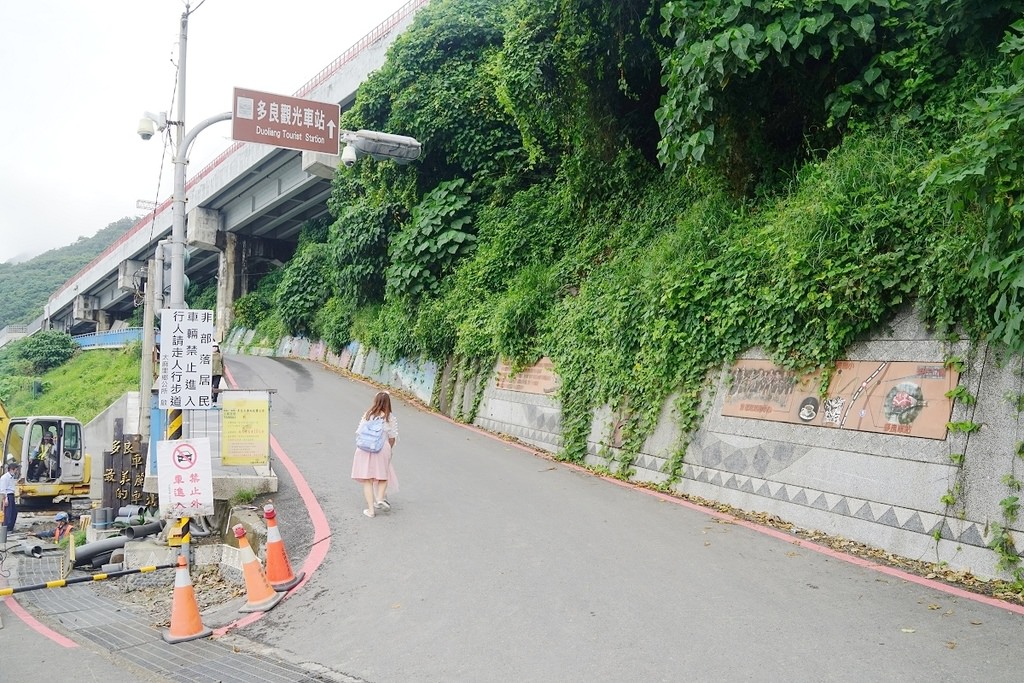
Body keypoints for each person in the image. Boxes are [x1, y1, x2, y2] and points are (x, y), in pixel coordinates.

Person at [351, 391, 399, 518]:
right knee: (383, 476)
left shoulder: (367, 415)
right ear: (388, 403)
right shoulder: (390, 418)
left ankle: (371, 511)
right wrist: (389, 451)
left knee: (367, 480)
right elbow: (392, 437)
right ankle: (380, 498)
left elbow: (359, 432)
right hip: (382, 448)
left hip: (364, 448)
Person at [1, 460, 20, 535]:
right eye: (16, 469)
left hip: (11, 495)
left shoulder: (11, 477)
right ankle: (6, 528)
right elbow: (3, 489)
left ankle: (10, 528)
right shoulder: (5, 478)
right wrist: (5, 499)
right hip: (7, 495)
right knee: (7, 513)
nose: (16, 471)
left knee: (13, 512)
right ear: (12, 469)